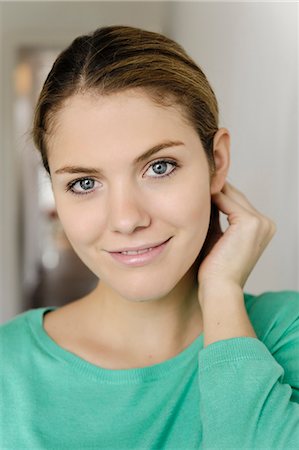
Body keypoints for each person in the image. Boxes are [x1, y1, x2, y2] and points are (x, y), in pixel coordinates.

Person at [1, 25, 298, 449]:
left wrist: (221, 294)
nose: (126, 220)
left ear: (216, 161)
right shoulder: (7, 372)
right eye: (84, 183)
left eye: (159, 167)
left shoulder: (286, 333)